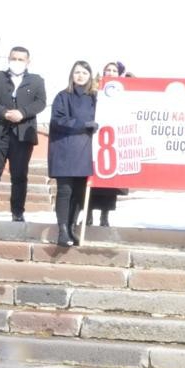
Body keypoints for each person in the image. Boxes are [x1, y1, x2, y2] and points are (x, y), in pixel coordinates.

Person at [0, 46, 47, 222]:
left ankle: (17, 212)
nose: (17, 62)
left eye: (21, 59)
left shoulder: (36, 81)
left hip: (22, 134)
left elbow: (41, 102)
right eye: (14, 58)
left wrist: (22, 113)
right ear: (8, 59)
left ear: (28, 61)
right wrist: (3, 112)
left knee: (19, 175)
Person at [47, 61, 98, 246]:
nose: (80, 75)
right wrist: (81, 125)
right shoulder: (63, 96)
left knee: (78, 193)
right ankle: (62, 231)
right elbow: (57, 121)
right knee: (65, 191)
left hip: (85, 150)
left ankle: (72, 227)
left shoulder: (95, 97)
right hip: (65, 148)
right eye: (77, 72)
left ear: (90, 76)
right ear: (72, 75)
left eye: (84, 72)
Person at [87, 61, 127, 227]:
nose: (110, 72)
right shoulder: (92, 91)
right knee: (89, 179)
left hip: (112, 141)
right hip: (93, 139)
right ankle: (88, 216)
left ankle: (105, 216)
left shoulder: (123, 92)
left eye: (114, 70)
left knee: (108, 182)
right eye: (107, 70)